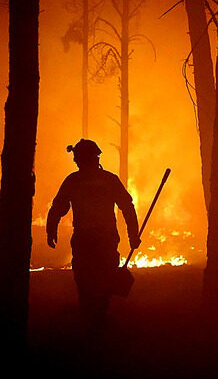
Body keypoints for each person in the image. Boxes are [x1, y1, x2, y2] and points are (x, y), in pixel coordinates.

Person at [46, 139, 140, 337]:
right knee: (100, 276)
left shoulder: (74, 180)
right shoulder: (107, 179)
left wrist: (51, 228)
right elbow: (127, 207)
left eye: (78, 158)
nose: (77, 162)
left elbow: (58, 207)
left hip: (86, 238)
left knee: (85, 277)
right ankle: (96, 317)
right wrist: (133, 234)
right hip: (101, 237)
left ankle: (91, 317)